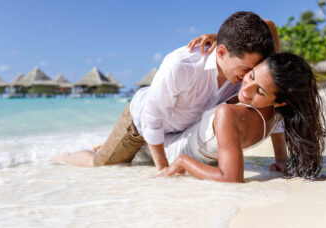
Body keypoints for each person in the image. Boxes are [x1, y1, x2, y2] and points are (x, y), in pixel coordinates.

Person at [54, 11, 279, 171]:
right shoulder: (181, 65)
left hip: (179, 128)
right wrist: (163, 169)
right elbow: (151, 118)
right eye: (245, 70)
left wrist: (220, 35)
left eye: (253, 71)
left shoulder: (247, 67)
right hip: (140, 125)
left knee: (133, 161)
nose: (249, 79)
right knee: (101, 165)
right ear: (221, 53)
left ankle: (105, 144)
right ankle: (67, 157)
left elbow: (268, 25)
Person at [157, 52, 326, 182]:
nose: (246, 89)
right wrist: (281, 159)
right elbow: (268, 26)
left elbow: (230, 179)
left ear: (279, 102)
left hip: (169, 148)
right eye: (252, 75)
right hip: (180, 131)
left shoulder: (230, 115)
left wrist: (182, 161)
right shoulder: (278, 110)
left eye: (260, 91)